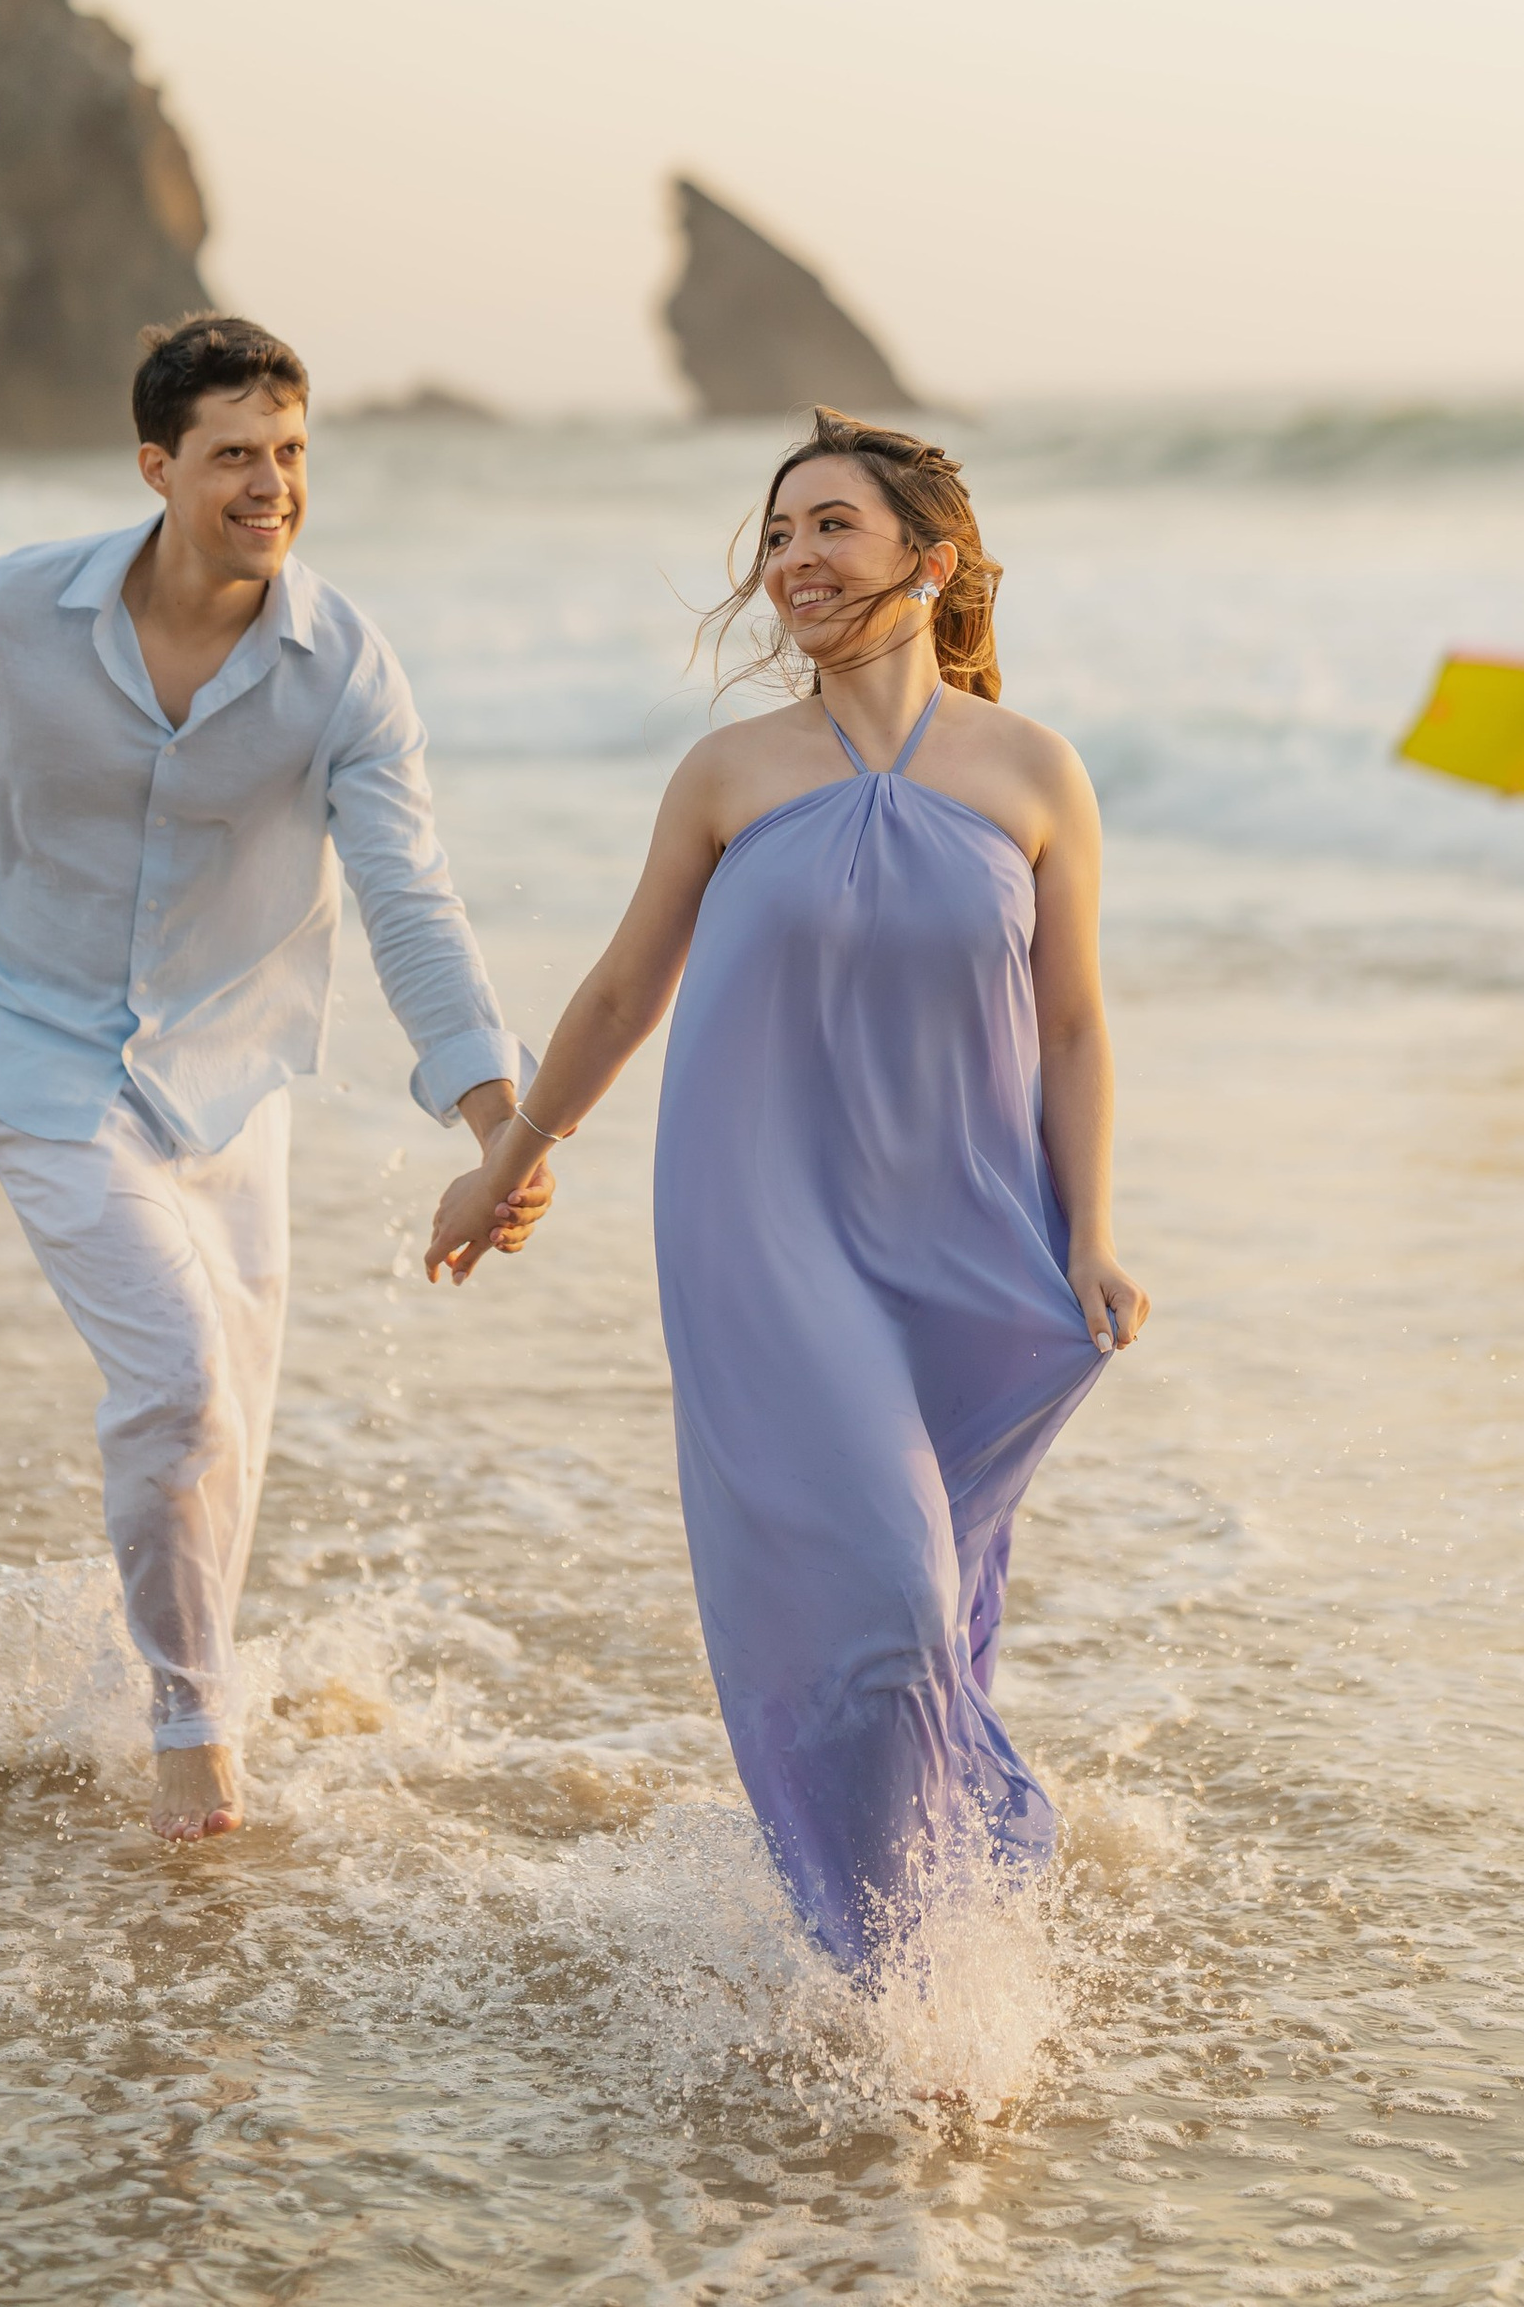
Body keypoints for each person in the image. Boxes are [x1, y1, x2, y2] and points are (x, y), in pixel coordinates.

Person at [0, 312, 547, 1842]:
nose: (271, 485)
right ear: (156, 466)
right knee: (178, 1378)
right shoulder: (13, 611)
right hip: (41, 1048)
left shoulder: (345, 666)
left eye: (290, 453)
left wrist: (499, 1120)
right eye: (234, 456)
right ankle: (192, 1736)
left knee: (232, 1431)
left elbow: (410, 896)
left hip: (233, 1079)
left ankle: (153, 1667)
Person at [426, 409, 1147, 1971]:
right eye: (775, 536)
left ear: (928, 559)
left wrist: (1091, 1226)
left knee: (934, 1588)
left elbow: (1078, 1020)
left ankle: (909, 1922)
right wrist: (510, 1154)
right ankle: (901, 1941)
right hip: (766, 1233)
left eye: (829, 526)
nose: (794, 561)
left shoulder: (1033, 770)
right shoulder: (728, 771)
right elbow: (623, 989)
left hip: (970, 1232)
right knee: (886, 1591)